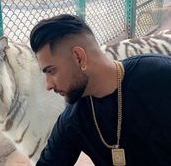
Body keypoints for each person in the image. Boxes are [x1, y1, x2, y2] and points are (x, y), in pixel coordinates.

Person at [29, 14, 171, 166]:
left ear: (79, 57)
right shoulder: (73, 119)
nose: (48, 85)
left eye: (51, 71)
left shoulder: (161, 76)